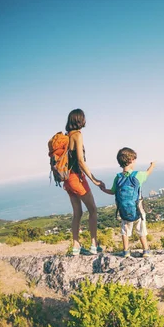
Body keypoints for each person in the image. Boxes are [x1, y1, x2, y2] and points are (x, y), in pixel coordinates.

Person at [100, 147, 155, 258]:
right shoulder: (137, 175)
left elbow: (113, 191)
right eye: (134, 160)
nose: (135, 162)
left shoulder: (118, 177)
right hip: (137, 209)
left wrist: (103, 189)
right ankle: (146, 250)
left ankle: (125, 251)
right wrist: (153, 165)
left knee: (125, 231)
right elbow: (148, 173)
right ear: (131, 161)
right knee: (141, 230)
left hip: (124, 210)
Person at [63, 109, 104, 256]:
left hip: (67, 180)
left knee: (77, 213)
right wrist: (93, 179)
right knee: (93, 210)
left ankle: (75, 247)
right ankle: (94, 245)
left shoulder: (67, 136)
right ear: (80, 120)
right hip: (77, 178)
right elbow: (80, 160)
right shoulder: (77, 135)